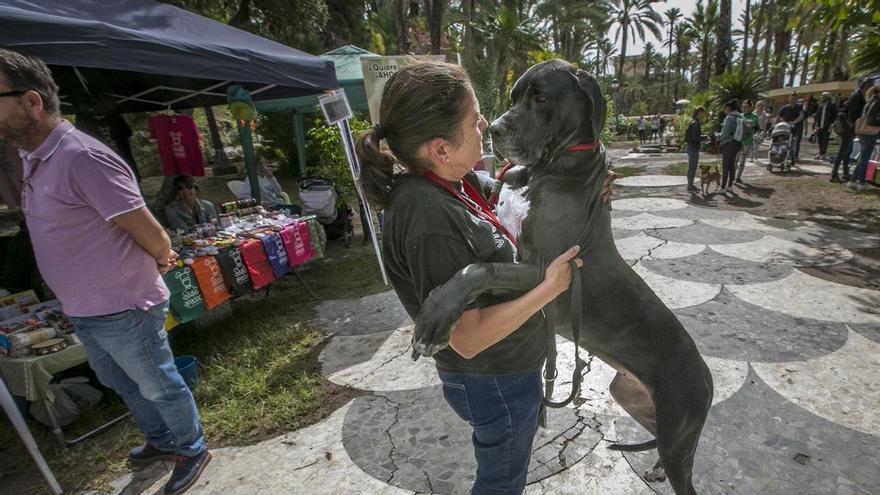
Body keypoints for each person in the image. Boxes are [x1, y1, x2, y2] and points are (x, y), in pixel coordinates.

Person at [356, 62, 582, 495]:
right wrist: (549, 287)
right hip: (496, 379)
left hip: (506, 372)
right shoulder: (427, 215)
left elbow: (510, 188)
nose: (484, 124)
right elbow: (468, 338)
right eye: (473, 117)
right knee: (501, 483)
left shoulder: (452, 181)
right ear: (441, 148)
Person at [0, 49, 210, 494]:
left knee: (157, 383)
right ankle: (160, 439)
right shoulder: (33, 158)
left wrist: (157, 259)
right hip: (84, 307)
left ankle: (191, 447)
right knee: (121, 381)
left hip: (123, 304)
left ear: (32, 102)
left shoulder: (81, 158)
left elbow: (153, 235)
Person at [832, 79, 874, 182]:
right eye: (870, 86)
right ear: (866, 86)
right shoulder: (857, 96)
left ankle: (845, 174)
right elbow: (854, 113)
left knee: (848, 151)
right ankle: (834, 174)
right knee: (843, 151)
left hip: (850, 128)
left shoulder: (859, 96)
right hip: (848, 128)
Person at [848, 82, 880, 192]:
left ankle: (853, 181)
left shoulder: (870, 102)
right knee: (865, 159)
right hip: (869, 133)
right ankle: (861, 182)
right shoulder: (877, 103)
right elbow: (872, 120)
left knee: (862, 158)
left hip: (863, 133)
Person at [718, 99, 742, 193]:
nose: (724, 110)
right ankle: (730, 186)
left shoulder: (729, 118)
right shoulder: (739, 117)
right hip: (737, 144)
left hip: (729, 144)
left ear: (728, 108)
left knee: (725, 166)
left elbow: (725, 133)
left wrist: (718, 137)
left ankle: (723, 187)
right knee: (732, 165)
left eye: (724, 108)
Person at [777, 92, 806, 163]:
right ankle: (784, 155)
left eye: (794, 98)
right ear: (789, 98)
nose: (793, 100)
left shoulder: (800, 106)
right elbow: (779, 117)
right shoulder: (785, 108)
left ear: (796, 99)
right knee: (785, 141)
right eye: (791, 98)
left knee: (796, 142)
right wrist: (779, 123)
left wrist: (793, 122)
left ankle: (795, 156)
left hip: (797, 127)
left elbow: (801, 116)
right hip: (787, 127)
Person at [736, 100, 759, 183]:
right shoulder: (739, 115)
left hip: (747, 141)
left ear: (750, 108)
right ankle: (732, 176)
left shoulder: (754, 116)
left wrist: (745, 120)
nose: (743, 109)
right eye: (742, 107)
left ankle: (738, 176)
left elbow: (753, 124)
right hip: (738, 141)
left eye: (745, 107)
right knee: (735, 159)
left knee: (742, 160)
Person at [685, 106, 706, 192]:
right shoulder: (695, 123)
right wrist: (704, 137)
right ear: (700, 113)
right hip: (693, 147)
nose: (704, 115)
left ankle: (690, 185)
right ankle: (690, 186)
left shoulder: (692, 122)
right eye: (703, 113)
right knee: (692, 167)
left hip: (691, 147)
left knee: (691, 167)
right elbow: (695, 137)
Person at [812, 92, 836, 160]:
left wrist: (831, 126)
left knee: (825, 141)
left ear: (827, 98)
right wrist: (816, 126)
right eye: (821, 96)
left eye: (823, 96)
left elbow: (834, 117)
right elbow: (817, 117)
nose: (821, 98)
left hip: (827, 127)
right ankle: (820, 153)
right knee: (820, 140)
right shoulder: (820, 106)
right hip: (820, 126)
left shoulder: (832, 106)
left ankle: (823, 154)